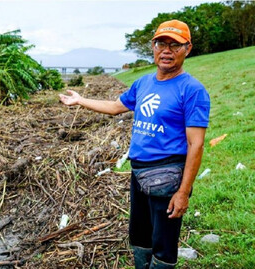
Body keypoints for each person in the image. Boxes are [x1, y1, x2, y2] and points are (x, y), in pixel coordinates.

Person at [59, 19, 210, 269]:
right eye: (161, 43)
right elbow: (116, 107)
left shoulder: (192, 90)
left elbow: (197, 145)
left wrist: (183, 193)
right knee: (140, 238)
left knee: (164, 246)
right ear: (153, 46)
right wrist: (80, 100)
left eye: (175, 45)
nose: (167, 51)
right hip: (138, 174)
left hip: (168, 177)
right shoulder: (144, 83)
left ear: (188, 49)